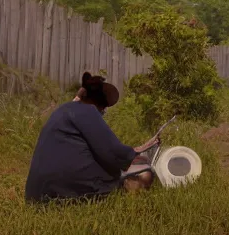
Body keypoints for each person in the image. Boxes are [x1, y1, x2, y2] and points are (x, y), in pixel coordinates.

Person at [24, 72, 160, 204]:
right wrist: (136, 154)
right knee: (145, 174)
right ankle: (128, 194)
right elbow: (111, 151)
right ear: (99, 104)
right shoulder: (88, 111)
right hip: (63, 191)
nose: (103, 112)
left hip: (35, 193)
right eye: (104, 109)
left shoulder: (63, 109)